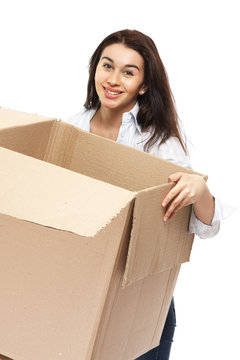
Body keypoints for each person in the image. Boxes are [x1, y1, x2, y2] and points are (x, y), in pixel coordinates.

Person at [64, 29, 229, 360]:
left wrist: (200, 190)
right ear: (94, 69)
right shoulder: (69, 131)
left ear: (144, 84)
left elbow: (206, 228)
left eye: (128, 72)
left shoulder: (159, 144)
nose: (113, 79)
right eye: (107, 66)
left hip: (141, 300)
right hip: (78, 292)